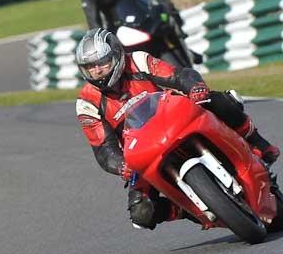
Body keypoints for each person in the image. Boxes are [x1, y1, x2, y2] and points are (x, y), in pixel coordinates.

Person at [74, 28, 279, 230]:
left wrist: (195, 87)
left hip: (174, 117)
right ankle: (189, 208)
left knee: (220, 101)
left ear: (116, 55)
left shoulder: (136, 61)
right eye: (90, 67)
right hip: (142, 148)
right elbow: (103, 148)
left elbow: (178, 75)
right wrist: (121, 165)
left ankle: (258, 143)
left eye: (102, 62)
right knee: (141, 214)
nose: (97, 70)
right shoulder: (87, 102)